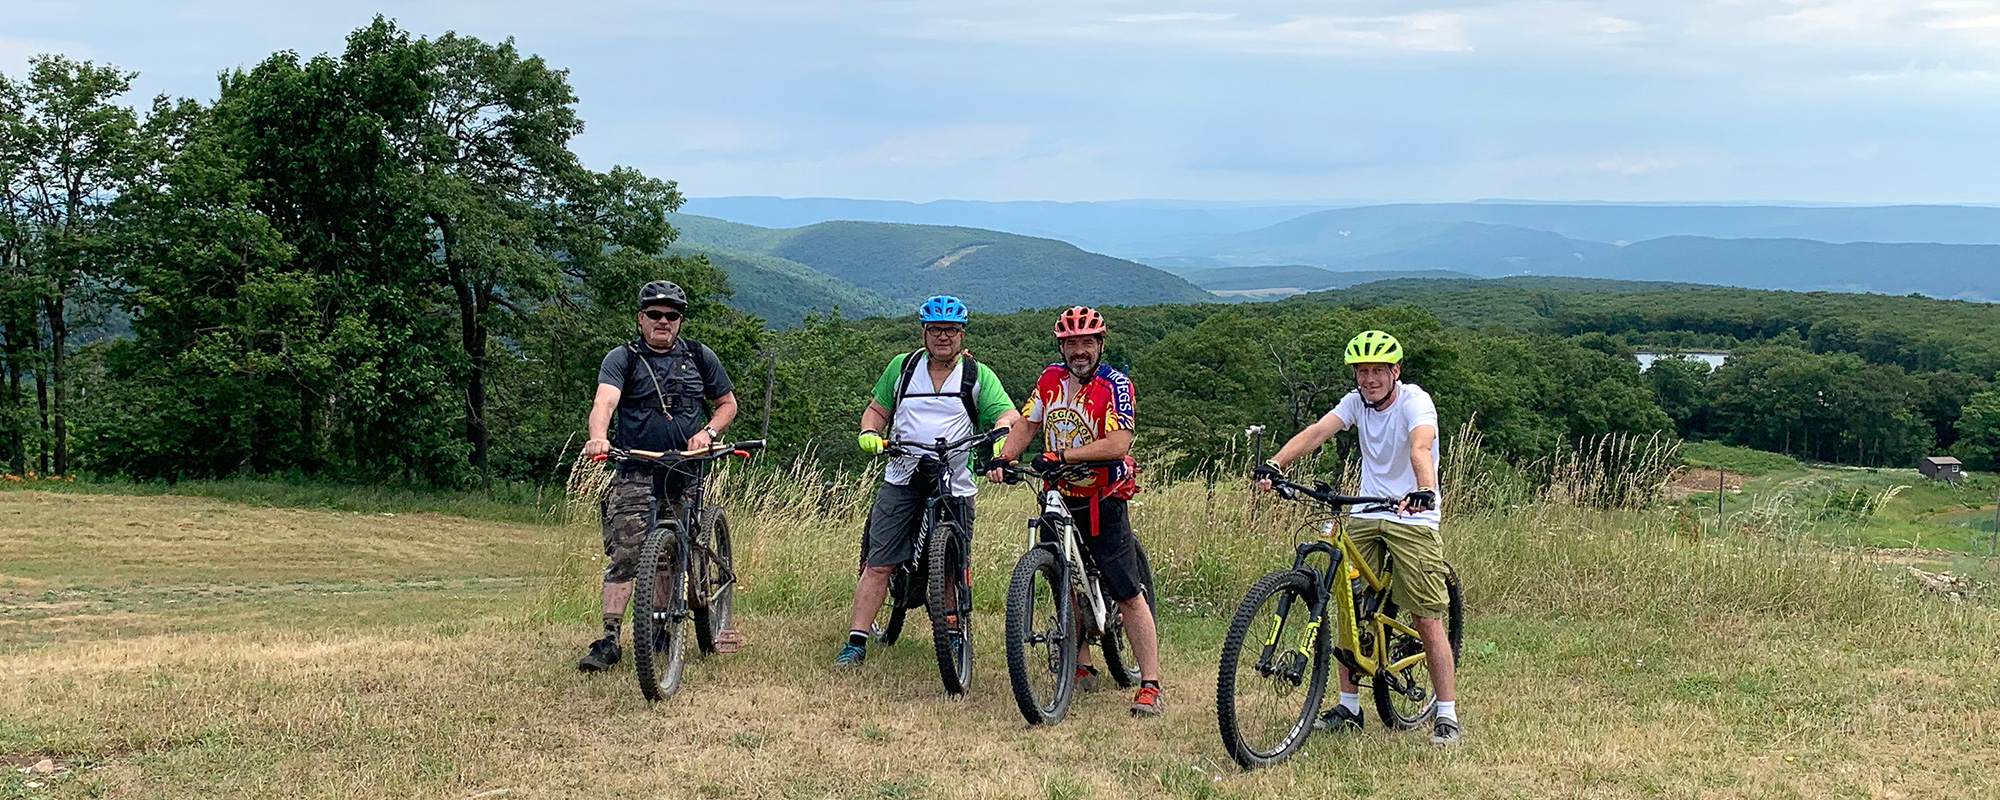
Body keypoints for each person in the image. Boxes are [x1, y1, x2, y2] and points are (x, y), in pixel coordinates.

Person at [1252, 329, 1462, 745]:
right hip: (1367, 510)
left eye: (1377, 371)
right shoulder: (1355, 403)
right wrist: (1275, 463)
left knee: (1425, 614)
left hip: (1412, 515)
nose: (1368, 379)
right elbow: (1317, 432)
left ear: (1394, 372)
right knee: (1345, 604)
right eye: (1361, 371)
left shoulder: (1415, 401)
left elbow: (1421, 446)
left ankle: (1446, 713)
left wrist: (1424, 489)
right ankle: (1349, 706)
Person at [985, 306, 1164, 716]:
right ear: (1061, 346)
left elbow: (1119, 443)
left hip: (1103, 496)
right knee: (1061, 578)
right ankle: (1080, 664)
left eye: (1086, 343)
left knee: (1127, 592)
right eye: (1070, 344)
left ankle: (1150, 683)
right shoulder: (1050, 380)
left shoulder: (1115, 384)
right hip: (1057, 492)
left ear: (1099, 344)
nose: (1078, 351)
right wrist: (1004, 458)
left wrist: (1063, 453)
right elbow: (1028, 424)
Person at [837, 295, 1021, 666]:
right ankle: (857, 640)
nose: (943, 337)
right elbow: (876, 410)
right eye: (935, 329)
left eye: (950, 330)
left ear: (961, 334)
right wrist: (870, 431)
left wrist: (1001, 436)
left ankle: (952, 631)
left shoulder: (976, 375)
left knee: (952, 562)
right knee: (880, 561)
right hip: (904, 472)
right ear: (923, 332)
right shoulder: (902, 368)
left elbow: (1007, 413)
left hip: (953, 478)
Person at [577, 280, 739, 672]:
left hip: (684, 468)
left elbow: (727, 404)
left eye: (672, 315)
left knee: (671, 556)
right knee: (627, 555)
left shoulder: (700, 357)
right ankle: (611, 638)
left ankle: (662, 628)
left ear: (679, 321)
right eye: (654, 314)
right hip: (635, 469)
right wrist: (598, 437)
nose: (663, 321)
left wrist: (709, 432)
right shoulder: (623, 359)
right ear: (640, 319)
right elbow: (604, 402)